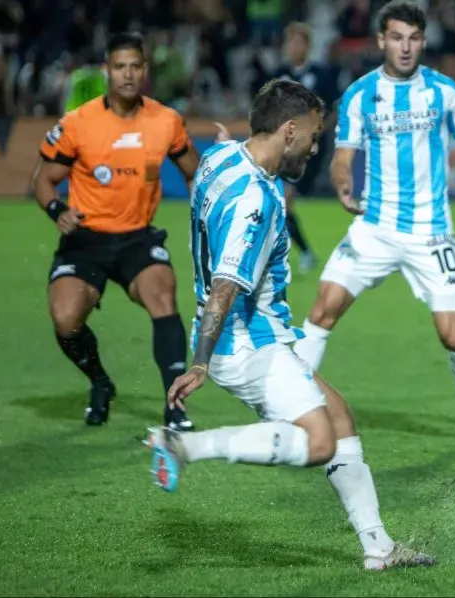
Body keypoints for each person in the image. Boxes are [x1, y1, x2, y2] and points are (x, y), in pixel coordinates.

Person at [148, 78, 435, 571]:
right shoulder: (258, 202)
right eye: (313, 135)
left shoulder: (220, 157)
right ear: (287, 131)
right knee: (321, 442)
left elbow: (214, 160)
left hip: (250, 336)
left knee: (340, 418)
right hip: (247, 342)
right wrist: (200, 362)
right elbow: (226, 285)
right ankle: (184, 445)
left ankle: (378, 549)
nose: (316, 146)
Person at [292, 1, 455, 444]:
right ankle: (291, 406)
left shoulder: (445, 92)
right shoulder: (359, 95)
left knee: (453, 337)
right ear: (381, 41)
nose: (405, 47)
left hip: (431, 232)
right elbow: (342, 159)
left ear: (424, 41)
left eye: (413, 38)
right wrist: (342, 189)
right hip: (374, 227)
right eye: (397, 37)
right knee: (321, 312)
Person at [33, 32, 198, 430]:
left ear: (145, 70)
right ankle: (100, 383)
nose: (128, 74)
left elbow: (198, 172)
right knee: (65, 319)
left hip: (137, 238)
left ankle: (175, 406)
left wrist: (211, 200)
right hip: (85, 239)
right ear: (107, 70)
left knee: (163, 296)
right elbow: (43, 179)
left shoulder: (166, 121)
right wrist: (57, 209)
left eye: (135, 66)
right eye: (120, 66)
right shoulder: (77, 123)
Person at [271, 21, 338, 274]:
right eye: (290, 42)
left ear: (308, 46)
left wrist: (317, 133)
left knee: (285, 200)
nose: (293, 47)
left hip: (309, 147)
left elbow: (334, 107)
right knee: (280, 202)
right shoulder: (277, 75)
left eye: (299, 42)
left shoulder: (321, 74)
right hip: (282, 147)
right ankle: (302, 253)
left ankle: (303, 253)